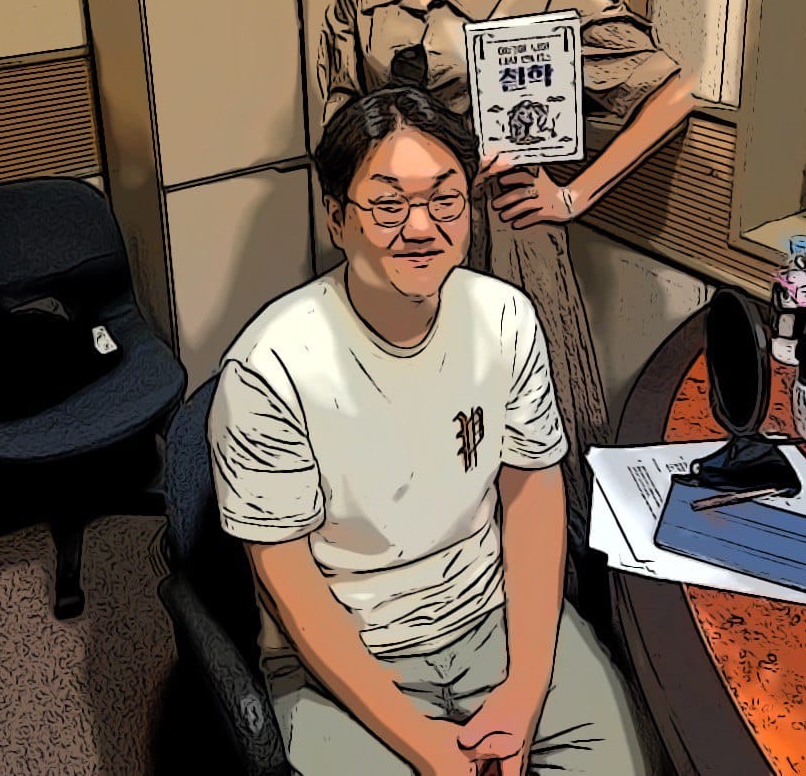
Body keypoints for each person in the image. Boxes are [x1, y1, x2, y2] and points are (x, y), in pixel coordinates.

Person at [208, 84, 648, 775]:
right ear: (336, 217)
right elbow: (286, 577)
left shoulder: (505, 319)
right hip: (347, 655)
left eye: (446, 201)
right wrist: (424, 745)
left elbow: (532, 491)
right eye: (388, 205)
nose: (421, 228)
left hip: (493, 616)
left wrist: (525, 691)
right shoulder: (271, 369)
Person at [317, 0, 697, 528]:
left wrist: (573, 194)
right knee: (412, 431)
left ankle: (556, 579)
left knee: (529, 433)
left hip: (507, 236)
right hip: (400, 236)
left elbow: (672, 91)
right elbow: (338, 115)